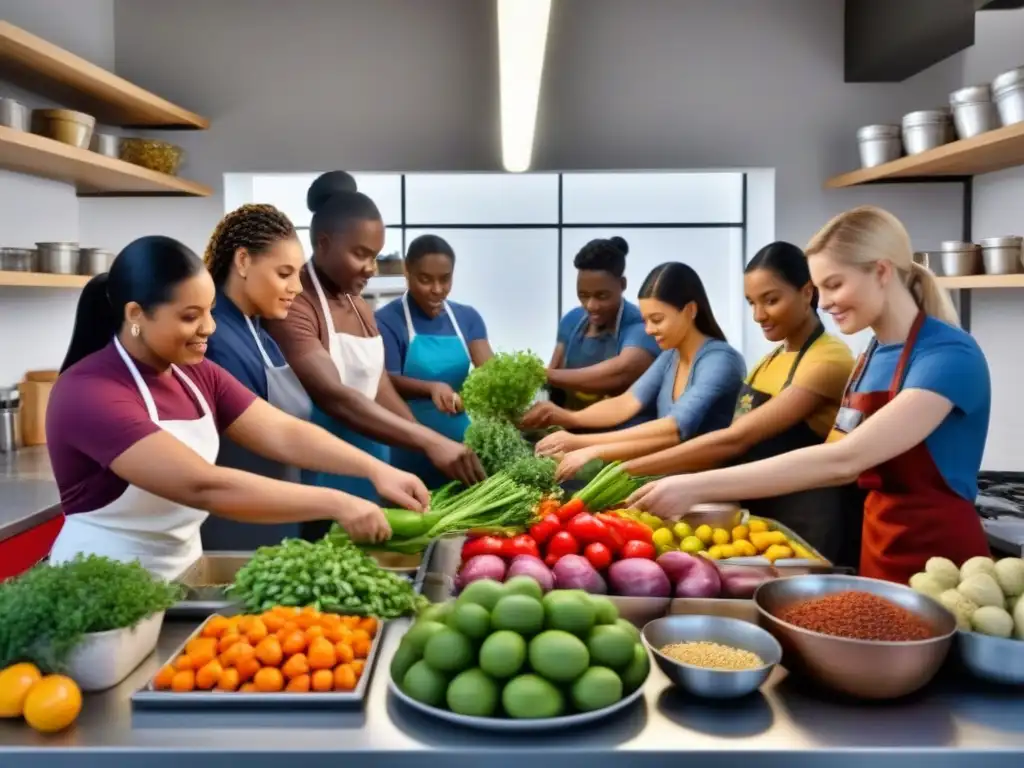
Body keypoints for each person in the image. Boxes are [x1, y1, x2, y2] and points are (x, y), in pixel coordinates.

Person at [629, 206, 992, 583]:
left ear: (881, 272)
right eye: (821, 288)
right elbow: (826, 457)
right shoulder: (869, 357)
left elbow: (845, 460)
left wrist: (693, 485)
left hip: (944, 565)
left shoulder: (948, 355)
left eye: (834, 284)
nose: (826, 301)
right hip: (879, 547)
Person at [45, 236, 428, 580]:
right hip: (101, 586)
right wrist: (338, 503)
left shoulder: (195, 374)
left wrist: (376, 470)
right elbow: (203, 485)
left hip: (185, 574)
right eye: (190, 316)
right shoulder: (88, 393)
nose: (209, 327)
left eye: (210, 310)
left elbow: (283, 432)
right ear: (135, 316)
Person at [559, 242, 857, 562]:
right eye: (751, 303)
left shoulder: (827, 359)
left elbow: (735, 439)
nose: (758, 315)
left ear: (807, 292)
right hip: (766, 516)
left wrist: (620, 468)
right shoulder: (768, 361)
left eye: (770, 300)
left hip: (809, 520)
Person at [265, 172, 485, 540]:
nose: (371, 267)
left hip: (374, 469)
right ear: (323, 243)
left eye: (375, 256)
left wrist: (431, 442)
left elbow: (379, 386)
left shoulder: (359, 305)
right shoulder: (296, 305)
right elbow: (337, 398)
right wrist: (430, 442)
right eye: (360, 254)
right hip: (321, 477)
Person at [198, 204, 428, 550]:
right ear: (243, 262)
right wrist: (344, 495)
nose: (295, 287)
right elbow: (272, 435)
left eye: (297, 274)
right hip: (237, 530)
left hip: (280, 523)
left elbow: (290, 431)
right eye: (284, 274)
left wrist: (376, 470)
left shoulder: (260, 333)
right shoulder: (215, 340)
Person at [529, 262, 746, 461]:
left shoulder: (720, 360)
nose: (649, 330)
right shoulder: (671, 356)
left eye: (657, 320)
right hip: (665, 475)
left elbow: (673, 428)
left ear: (690, 310)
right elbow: (627, 403)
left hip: (704, 484)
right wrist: (569, 418)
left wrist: (580, 443)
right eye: (645, 321)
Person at [375, 234, 493, 489]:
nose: (437, 289)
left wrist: (481, 395)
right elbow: (386, 379)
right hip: (406, 442)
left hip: (461, 446)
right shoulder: (387, 319)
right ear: (407, 272)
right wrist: (431, 388)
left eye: (445, 279)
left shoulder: (467, 318)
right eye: (425, 279)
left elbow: (490, 373)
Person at [529, 236, 661, 429]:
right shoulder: (572, 320)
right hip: (571, 435)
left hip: (622, 438)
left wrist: (540, 374)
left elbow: (620, 372)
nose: (591, 306)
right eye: (583, 295)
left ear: (622, 284)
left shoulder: (642, 326)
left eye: (602, 296)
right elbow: (554, 375)